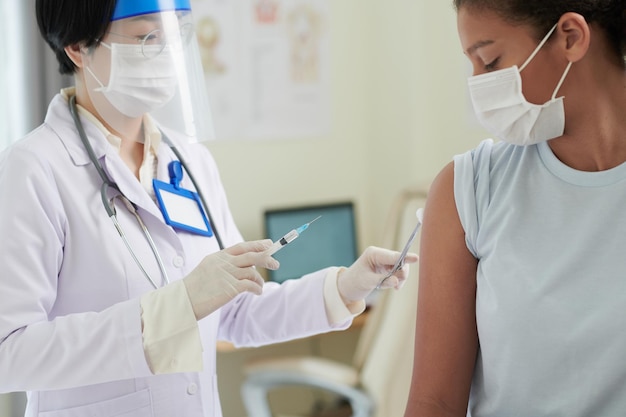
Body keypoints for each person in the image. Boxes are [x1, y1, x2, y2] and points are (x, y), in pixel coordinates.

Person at [0, 1, 417, 416]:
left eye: (174, 35)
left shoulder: (189, 161)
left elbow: (234, 311)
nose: (165, 52)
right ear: (78, 45)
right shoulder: (35, 170)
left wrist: (345, 287)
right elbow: (9, 352)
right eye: (147, 37)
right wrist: (175, 308)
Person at [405, 1, 626, 416]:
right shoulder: (469, 190)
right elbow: (433, 403)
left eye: (489, 62)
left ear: (570, 37)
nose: (478, 86)